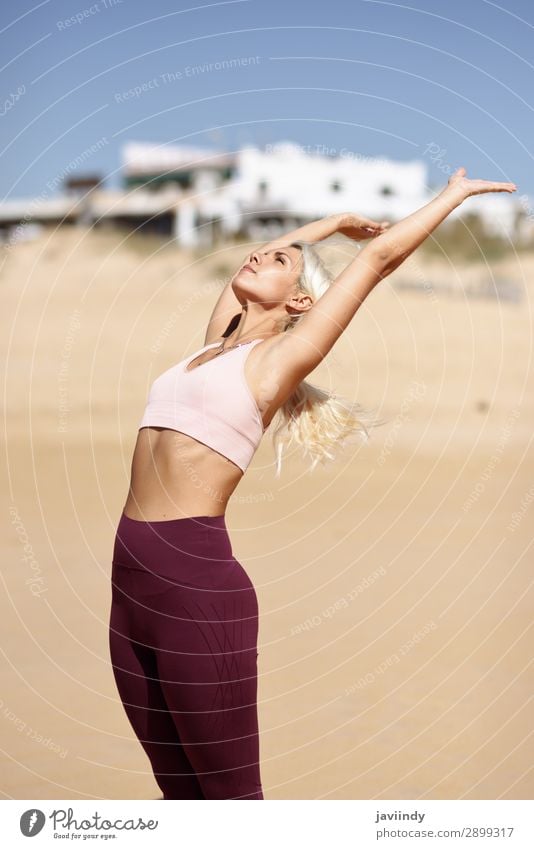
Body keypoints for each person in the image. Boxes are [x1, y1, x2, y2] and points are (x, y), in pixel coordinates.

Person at [108, 167, 516, 800]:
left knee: (232, 799)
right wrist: (325, 228)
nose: (257, 255)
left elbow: (377, 260)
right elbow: (263, 269)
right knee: (178, 795)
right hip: (130, 582)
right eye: (264, 250)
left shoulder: (275, 363)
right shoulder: (211, 347)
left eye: (277, 261)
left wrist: (450, 198)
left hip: (196, 583)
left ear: (300, 302)